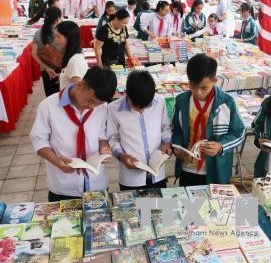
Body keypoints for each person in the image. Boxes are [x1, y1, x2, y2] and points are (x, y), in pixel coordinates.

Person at [30, 67, 117, 202]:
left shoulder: (102, 108)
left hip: (96, 183)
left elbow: (101, 135)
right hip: (63, 185)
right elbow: (39, 139)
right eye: (90, 101)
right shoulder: (48, 106)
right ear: (80, 84)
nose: (92, 107)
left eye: (98, 104)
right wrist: (55, 160)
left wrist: (104, 147)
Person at [171, 54, 245, 185]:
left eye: (204, 88)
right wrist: (177, 148)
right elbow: (176, 129)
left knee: (215, 204)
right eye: (193, 86)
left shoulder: (226, 103)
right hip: (188, 168)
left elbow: (239, 133)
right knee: (189, 204)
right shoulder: (182, 101)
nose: (198, 92)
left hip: (216, 171)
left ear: (215, 81)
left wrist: (221, 146)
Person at [107, 70, 172, 190]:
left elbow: (165, 127)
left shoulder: (160, 101)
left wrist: (167, 143)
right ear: (126, 94)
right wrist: (121, 156)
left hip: (158, 174)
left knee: (160, 207)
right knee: (134, 208)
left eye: (147, 106)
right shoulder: (113, 109)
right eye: (136, 106)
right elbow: (112, 137)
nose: (141, 110)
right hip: (131, 178)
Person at [31, 7, 63, 96]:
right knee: (62, 97)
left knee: (50, 97)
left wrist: (46, 67)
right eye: (61, 17)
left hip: (46, 70)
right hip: (61, 70)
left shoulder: (38, 33)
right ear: (57, 19)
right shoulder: (61, 33)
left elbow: (34, 53)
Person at [55, 21, 88, 90]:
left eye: (58, 37)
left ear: (69, 38)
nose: (55, 39)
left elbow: (78, 92)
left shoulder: (74, 61)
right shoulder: (72, 55)